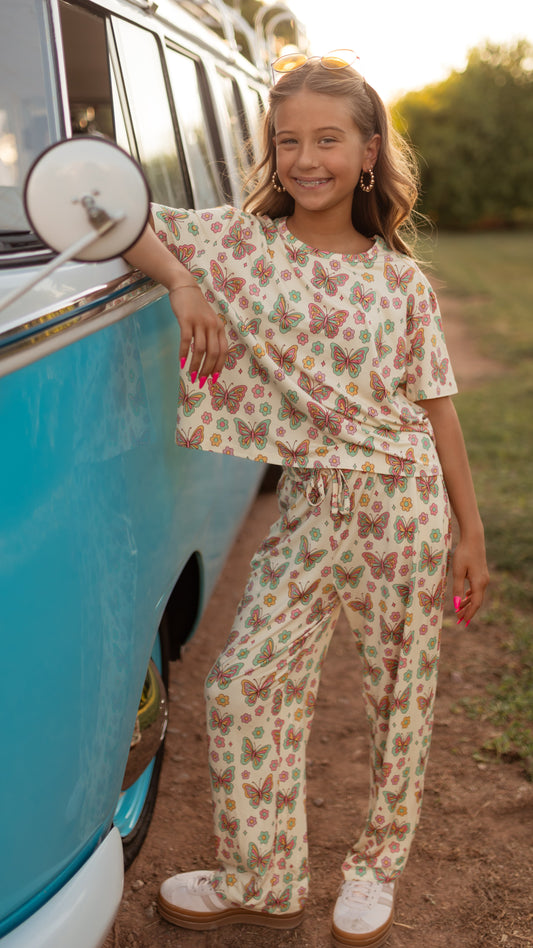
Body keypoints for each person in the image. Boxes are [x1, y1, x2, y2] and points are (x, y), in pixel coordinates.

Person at [124, 51, 489, 948]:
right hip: (312, 504)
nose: (306, 158)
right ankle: (263, 875)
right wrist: (181, 283)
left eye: (328, 139)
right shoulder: (243, 245)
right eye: (288, 141)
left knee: (399, 696)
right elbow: (118, 216)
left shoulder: (401, 281)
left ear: (368, 152)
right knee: (245, 687)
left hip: (402, 500)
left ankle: (374, 868)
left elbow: (436, 410)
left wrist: (466, 533)